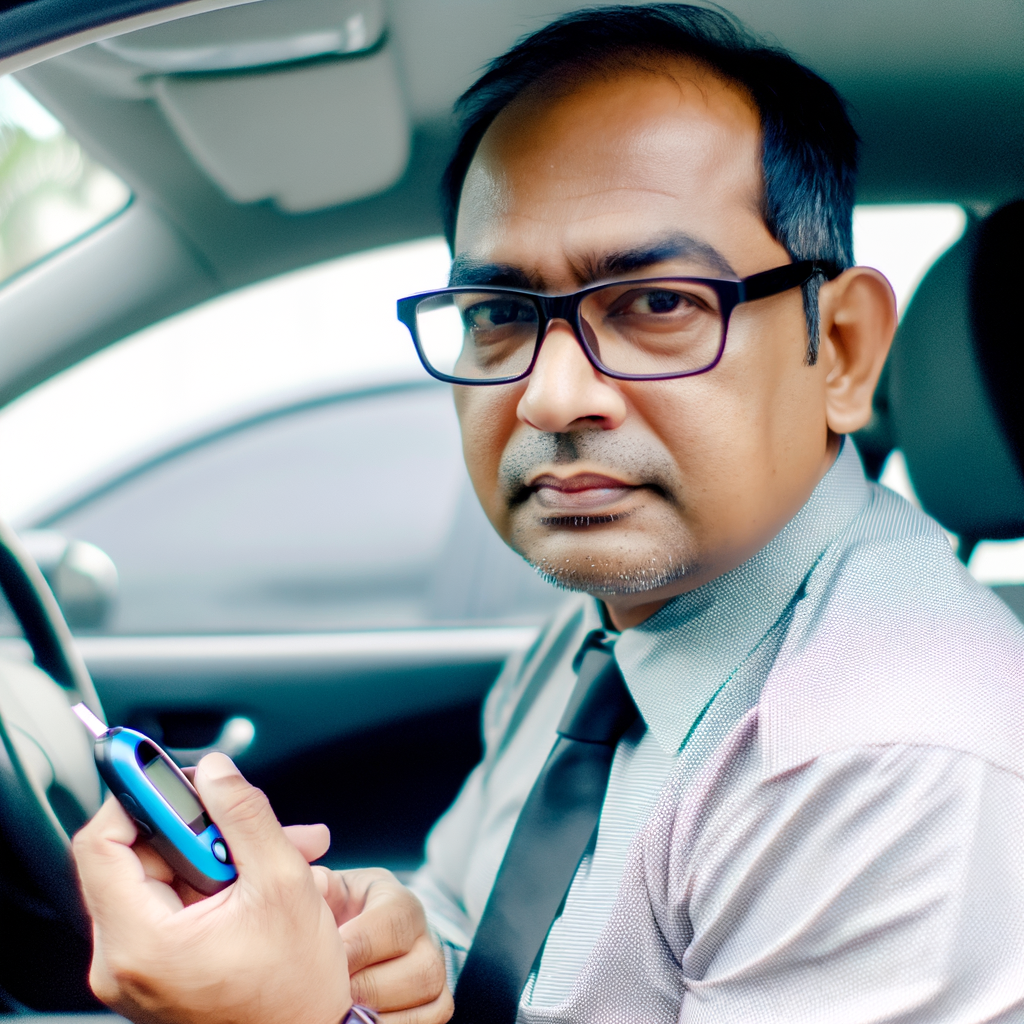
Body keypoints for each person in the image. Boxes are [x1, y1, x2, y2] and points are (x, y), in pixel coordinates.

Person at [73, 5, 1024, 1024]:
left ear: (839, 350)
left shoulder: (885, 758)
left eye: (658, 304)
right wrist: (393, 959)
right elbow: (473, 928)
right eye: (497, 314)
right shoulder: (606, 631)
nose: (552, 396)